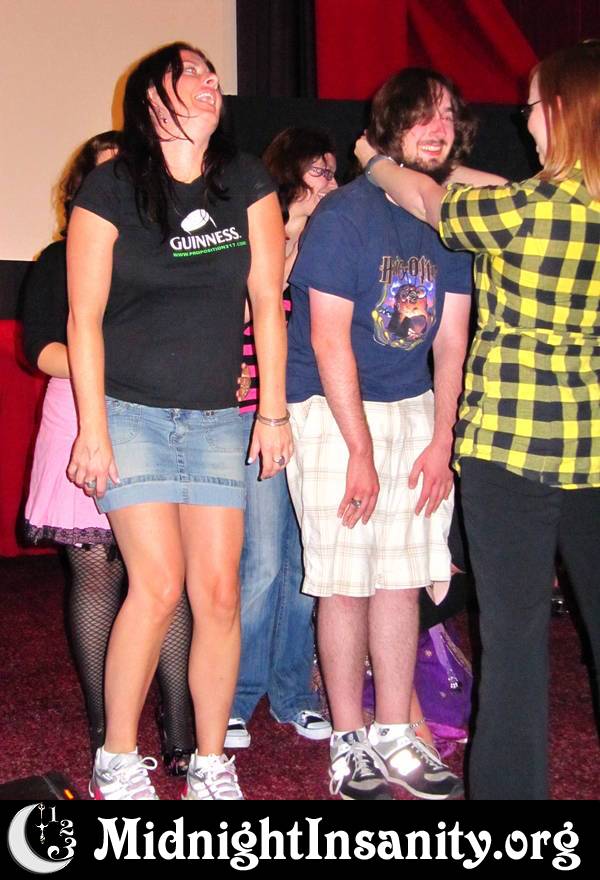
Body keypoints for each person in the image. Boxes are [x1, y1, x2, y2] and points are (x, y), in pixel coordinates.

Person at [354, 40, 600, 800]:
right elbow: (495, 186)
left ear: (562, 111)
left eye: (532, 106)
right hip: (594, 448)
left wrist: (377, 160)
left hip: (510, 452)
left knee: (516, 643)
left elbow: (428, 204)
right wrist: (443, 163)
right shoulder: (550, 202)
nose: (524, 121)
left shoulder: (523, 212)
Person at [66, 42, 290, 801]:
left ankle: (209, 762)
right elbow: (83, 318)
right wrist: (92, 429)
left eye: (213, 74)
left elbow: (267, 303)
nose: (210, 81)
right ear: (152, 97)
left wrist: (273, 411)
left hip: (219, 418)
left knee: (219, 593)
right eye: (191, 71)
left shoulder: (246, 180)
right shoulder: (110, 187)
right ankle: (117, 756)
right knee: (157, 584)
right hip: (129, 413)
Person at [286, 68, 475, 800]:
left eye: (448, 115)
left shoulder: (446, 219)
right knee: (344, 582)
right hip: (331, 408)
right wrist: (359, 451)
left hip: (413, 406)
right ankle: (349, 741)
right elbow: (327, 338)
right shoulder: (346, 214)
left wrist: (443, 439)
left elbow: (451, 340)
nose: (438, 128)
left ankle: (396, 733)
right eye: (423, 115)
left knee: (402, 577)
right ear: (390, 127)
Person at [22, 131, 195, 774]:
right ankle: (105, 732)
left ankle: (179, 727)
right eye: (105, 175)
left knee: (166, 579)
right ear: (81, 190)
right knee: (97, 573)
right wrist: (117, 364)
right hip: (81, 417)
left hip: (161, 419)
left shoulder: (167, 253)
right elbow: (40, 350)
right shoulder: (58, 256)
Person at [226, 128, 338, 749]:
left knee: (305, 562)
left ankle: (293, 691)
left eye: (333, 171)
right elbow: (237, 316)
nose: (331, 182)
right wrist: (288, 234)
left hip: (313, 415)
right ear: (290, 173)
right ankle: (237, 694)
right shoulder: (253, 233)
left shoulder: (331, 241)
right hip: (258, 415)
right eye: (320, 170)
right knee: (264, 561)